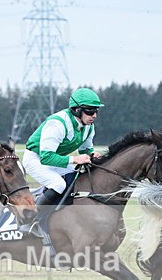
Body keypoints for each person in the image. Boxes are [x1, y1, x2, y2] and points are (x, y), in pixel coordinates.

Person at [20, 87, 104, 239]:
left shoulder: (88, 127)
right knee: (58, 184)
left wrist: (92, 154)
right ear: (77, 110)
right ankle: (30, 221)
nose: (94, 116)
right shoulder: (57, 124)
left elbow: (85, 150)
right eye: (90, 111)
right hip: (35, 159)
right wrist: (74, 159)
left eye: (96, 111)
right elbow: (46, 158)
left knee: (81, 175)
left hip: (54, 159)